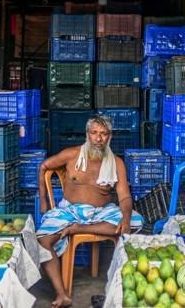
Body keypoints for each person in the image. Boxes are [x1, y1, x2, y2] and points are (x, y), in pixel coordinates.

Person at [36, 115, 144, 308]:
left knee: (135, 222)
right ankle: (62, 295)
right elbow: (44, 166)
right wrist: (44, 200)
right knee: (42, 241)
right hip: (69, 211)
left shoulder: (117, 163)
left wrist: (125, 219)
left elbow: (125, 197)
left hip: (101, 212)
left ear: (109, 136)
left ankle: (76, 229)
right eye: (94, 133)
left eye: (103, 134)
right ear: (88, 135)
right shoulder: (71, 154)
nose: (98, 138)